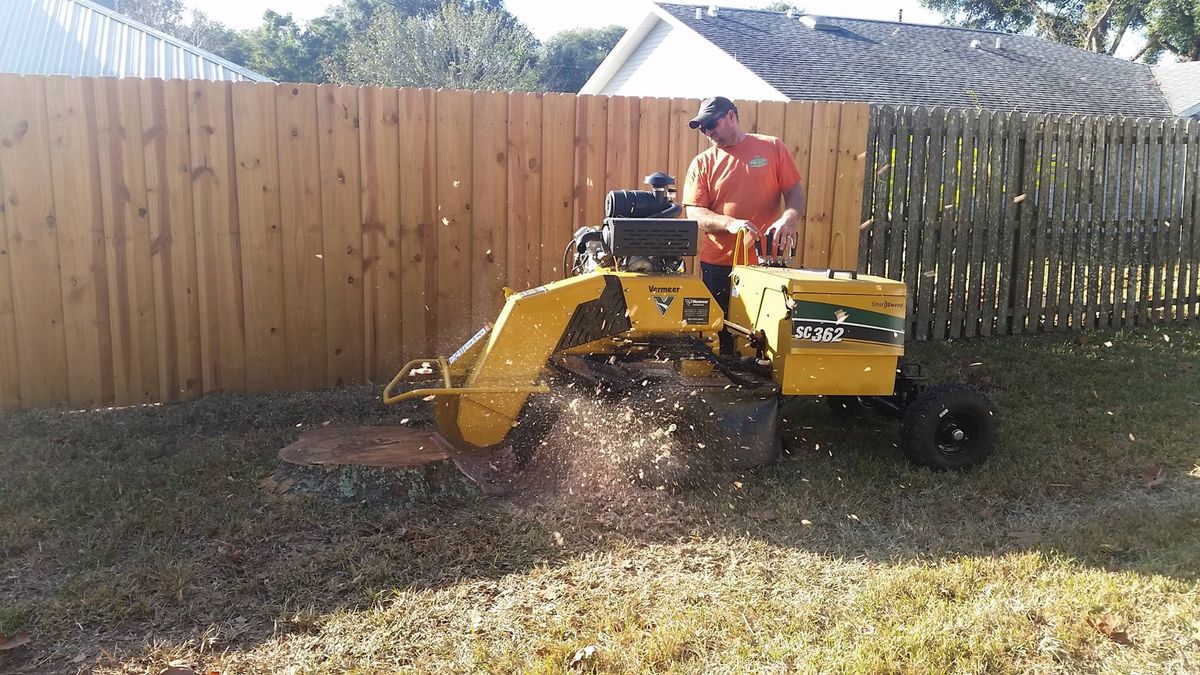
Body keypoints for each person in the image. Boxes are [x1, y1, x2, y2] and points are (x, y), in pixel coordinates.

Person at [681, 96, 806, 355]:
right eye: (702, 128)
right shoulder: (703, 163)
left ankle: (763, 390)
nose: (707, 132)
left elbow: (795, 192)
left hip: (767, 266)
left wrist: (789, 217)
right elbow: (693, 212)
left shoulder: (772, 148)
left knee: (766, 336)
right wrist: (730, 223)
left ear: (731, 116)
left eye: (711, 124)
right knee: (719, 336)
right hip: (719, 265)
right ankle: (724, 390)